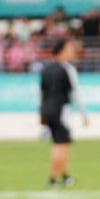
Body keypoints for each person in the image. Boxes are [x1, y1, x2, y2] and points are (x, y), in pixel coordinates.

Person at [39, 37, 88, 187]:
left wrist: (41, 113)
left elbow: (42, 93)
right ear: (62, 51)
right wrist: (84, 114)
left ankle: (65, 176)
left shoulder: (45, 69)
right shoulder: (68, 69)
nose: (73, 52)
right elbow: (75, 93)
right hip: (62, 110)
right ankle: (53, 178)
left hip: (47, 109)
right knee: (62, 144)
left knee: (58, 143)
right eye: (70, 49)